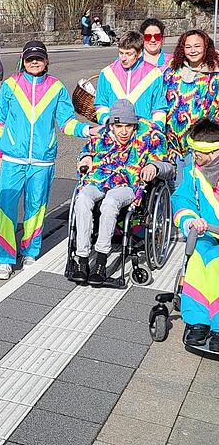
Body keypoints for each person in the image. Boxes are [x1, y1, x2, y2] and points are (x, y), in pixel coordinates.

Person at [0, 42, 96, 280]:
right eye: (30, 59)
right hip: (12, 158)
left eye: (38, 58)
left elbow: (67, 122)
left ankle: (30, 253)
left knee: (36, 209)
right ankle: (5, 259)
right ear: (23, 60)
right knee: (5, 209)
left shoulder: (56, 87)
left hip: (42, 161)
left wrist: (88, 131)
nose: (34, 62)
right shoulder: (10, 85)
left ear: (46, 60)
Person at [72, 99, 170, 285]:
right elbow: (86, 151)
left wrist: (153, 166)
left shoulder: (149, 136)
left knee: (110, 202)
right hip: (99, 179)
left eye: (128, 126)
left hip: (128, 185)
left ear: (134, 126)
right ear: (112, 125)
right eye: (118, 126)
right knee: (82, 197)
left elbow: (167, 166)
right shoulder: (101, 136)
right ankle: (82, 259)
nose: (123, 131)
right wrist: (85, 158)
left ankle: (101, 261)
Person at [170, 119, 219, 349]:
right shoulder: (193, 172)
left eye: (198, 151)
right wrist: (189, 219)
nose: (193, 155)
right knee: (198, 262)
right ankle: (198, 321)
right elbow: (182, 198)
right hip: (206, 236)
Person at [163, 29, 219, 170]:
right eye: (188, 47)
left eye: (197, 46)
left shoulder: (215, 75)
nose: (193, 51)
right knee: (177, 188)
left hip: (202, 147)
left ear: (206, 48)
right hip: (173, 147)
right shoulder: (172, 72)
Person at [94, 30, 166, 129]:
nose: (123, 58)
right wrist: (107, 122)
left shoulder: (154, 74)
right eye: (121, 53)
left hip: (143, 133)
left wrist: (157, 128)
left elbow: (159, 106)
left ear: (139, 53)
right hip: (115, 132)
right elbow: (101, 104)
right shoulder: (107, 73)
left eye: (128, 54)